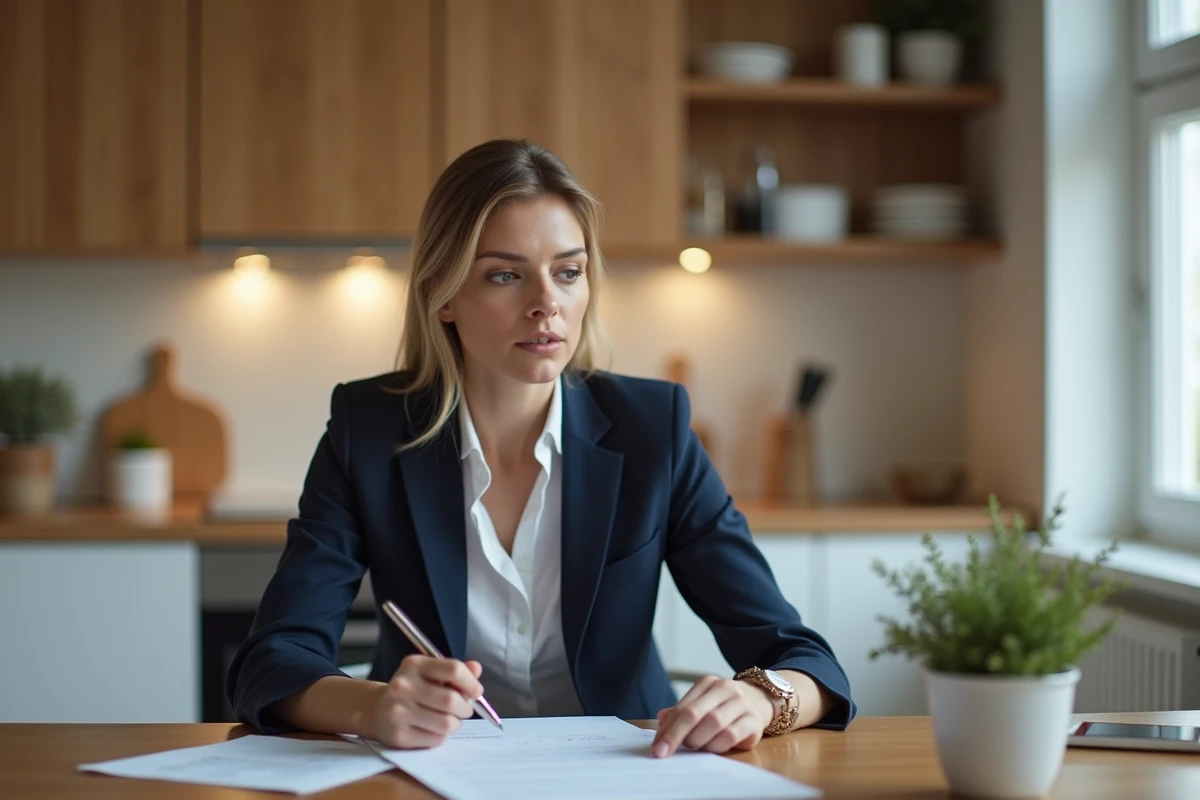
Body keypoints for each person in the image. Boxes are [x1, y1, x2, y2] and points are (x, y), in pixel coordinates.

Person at [227, 139, 855, 758]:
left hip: (630, 773)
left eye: (569, 272)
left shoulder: (652, 430)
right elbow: (270, 663)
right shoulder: (366, 430)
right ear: (442, 295)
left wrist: (762, 700)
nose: (546, 304)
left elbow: (804, 660)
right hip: (437, 774)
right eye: (505, 274)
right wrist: (373, 705)